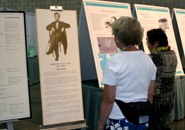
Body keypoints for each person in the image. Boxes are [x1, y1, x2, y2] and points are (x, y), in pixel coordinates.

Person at [98, 16, 157, 130]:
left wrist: (101, 124)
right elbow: (150, 94)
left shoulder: (114, 62)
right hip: (141, 118)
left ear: (118, 37)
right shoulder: (148, 60)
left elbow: (109, 99)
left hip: (119, 118)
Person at [146, 28, 177, 130]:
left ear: (155, 43)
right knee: (165, 125)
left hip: (157, 99)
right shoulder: (173, 54)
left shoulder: (154, 57)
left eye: (148, 40)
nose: (147, 44)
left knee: (153, 125)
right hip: (170, 97)